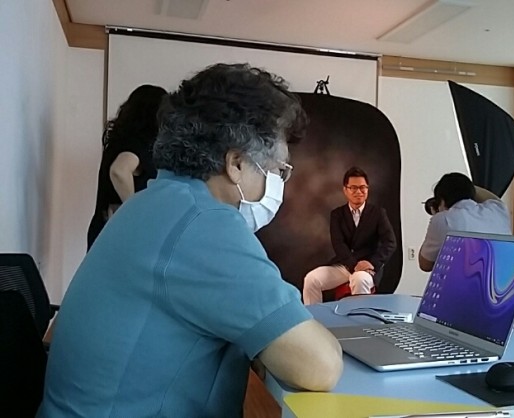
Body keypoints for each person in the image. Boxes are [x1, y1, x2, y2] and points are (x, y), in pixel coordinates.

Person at [38, 63, 343, 417]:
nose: (278, 184)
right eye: (278, 170)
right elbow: (320, 366)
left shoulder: (152, 202)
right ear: (236, 163)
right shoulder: (202, 223)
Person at [86, 84, 168, 250]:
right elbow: (119, 171)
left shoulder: (120, 141)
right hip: (121, 232)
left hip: (105, 228)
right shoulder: (138, 143)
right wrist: (134, 211)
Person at [302, 167, 396, 305]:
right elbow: (338, 244)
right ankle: (314, 317)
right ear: (345, 190)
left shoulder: (378, 213)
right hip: (344, 265)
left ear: (367, 189)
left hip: (368, 267)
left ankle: (360, 318)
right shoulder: (337, 214)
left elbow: (390, 242)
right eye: (353, 188)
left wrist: (372, 263)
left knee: (359, 279)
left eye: (362, 187)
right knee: (311, 279)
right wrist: (353, 265)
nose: (359, 191)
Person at [418, 172, 512, 272]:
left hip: (464, 281)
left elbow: (425, 265)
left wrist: (436, 219)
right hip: (502, 279)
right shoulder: (498, 210)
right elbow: (494, 198)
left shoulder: (444, 219)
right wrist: (465, 187)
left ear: (442, 200)